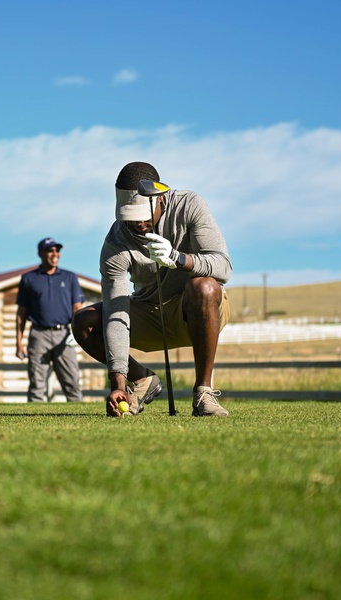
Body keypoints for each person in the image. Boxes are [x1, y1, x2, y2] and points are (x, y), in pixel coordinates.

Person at [71, 162, 233, 417]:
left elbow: (223, 267)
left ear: (160, 199)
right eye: (130, 217)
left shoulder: (190, 205)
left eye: (143, 216)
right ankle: (142, 381)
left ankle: (204, 392)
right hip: (148, 315)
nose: (138, 224)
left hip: (194, 310)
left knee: (205, 286)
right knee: (85, 321)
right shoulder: (115, 243)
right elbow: (117, 314)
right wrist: (118, 384)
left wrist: (179, 258)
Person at [16, 237, 86, 402]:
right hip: (38, 335)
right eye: (50, 250)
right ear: (40, 253)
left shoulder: (69, 278)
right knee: (36, 384)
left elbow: (78, 308)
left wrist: (77, 332)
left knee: (72, 383)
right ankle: (32, 420)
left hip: (64, 335)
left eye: (57, 250)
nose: (55, 254)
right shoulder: (29, 279)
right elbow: (21, 313)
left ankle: (78, 417)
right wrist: (18, 342)